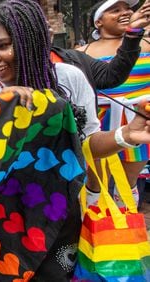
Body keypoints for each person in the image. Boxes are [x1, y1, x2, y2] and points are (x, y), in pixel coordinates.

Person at [0, 0, 150, 280]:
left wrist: (125, 136)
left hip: (60, 211)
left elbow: (86, 144)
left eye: (3, 45)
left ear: (31, 42)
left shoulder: (70, 79)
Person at [76, 0, 150, 206]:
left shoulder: (146, 43)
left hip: (140, 120)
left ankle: (127, 231)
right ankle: (94, 227)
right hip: (98, 122)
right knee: (96, 181)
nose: (125, 12)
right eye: (115, 10)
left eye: (127, 8)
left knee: (128, 182)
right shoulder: (82, 52)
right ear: (98, 21)